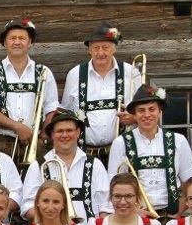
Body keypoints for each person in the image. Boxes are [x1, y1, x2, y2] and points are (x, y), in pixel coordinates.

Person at [106, 83, 192, 218]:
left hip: (171, 216)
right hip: (136, 217)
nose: (147, 115)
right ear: (134, 114)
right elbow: (113, 185)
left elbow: (191, 182)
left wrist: (178, 213)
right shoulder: (120, 143)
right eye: (141, 110)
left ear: (160, 111)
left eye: (152, 109)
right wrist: (134, 212)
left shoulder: (179, 141)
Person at [0, 18, 60, 161]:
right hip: (0, 143)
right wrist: (18, 127)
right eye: (12, 38)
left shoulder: (44, 72)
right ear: (5, 42)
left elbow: (51, 109)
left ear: (30, 42)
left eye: (22, 38)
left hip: (35, 143)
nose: (17, 42)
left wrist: (42, 137)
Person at [60, 22, 140, 161]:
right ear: (89, 50)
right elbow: (65, 113)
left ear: (114, 49)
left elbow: (146, 109)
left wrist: (134, 118)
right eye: (96, 48)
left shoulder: (131, 73)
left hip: (124, 153)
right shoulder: (75, 74)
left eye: (105, 47)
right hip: (83, 154)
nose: (100, 53)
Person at [18, 109, 110, 221]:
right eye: (60, 131)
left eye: (69, 130)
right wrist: (56, 221)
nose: (65, 135)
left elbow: (106, 206)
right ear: (52, 134)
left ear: (78, 132)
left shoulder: (95, 165)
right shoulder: (38, 166)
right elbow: (27, 207)